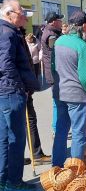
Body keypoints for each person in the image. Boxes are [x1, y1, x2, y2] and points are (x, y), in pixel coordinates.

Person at [0, 0, 40, 191]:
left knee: (6, 137)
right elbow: (5, 64)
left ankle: (4, 179)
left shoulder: (8, 31)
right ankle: (13, 181)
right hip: (10, 91)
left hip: (6, 90)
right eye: (21, 13)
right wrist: (20, 86)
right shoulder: (7, 33)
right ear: (9, 14)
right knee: (15, 137)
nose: (24, 17)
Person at [52, 10, 86, 167]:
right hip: (77, 95)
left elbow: (52, 68)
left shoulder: (58, 41)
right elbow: (85, 76)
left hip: (59, 92)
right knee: (78, 133)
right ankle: (76, 170)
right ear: (83, 25)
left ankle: (56, 167)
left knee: (61, 132)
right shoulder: (82, 46)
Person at [21, 29, 51, 166]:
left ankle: (18, 156)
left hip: (20, 87)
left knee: (20, 123)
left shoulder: (14, 35)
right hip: (17, 88)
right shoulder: (9, 36)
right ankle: (36, 154)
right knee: (28, 121)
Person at [41, 11, 64, 135]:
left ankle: (57, 127)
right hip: (54, 73)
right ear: (54, 22)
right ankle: (56, 128)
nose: (61, 22)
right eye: (59, 20)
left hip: (53, 71)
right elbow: (58, 52)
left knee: (58, 101)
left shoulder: (52, 32)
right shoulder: (51, 35)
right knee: (57, 102)